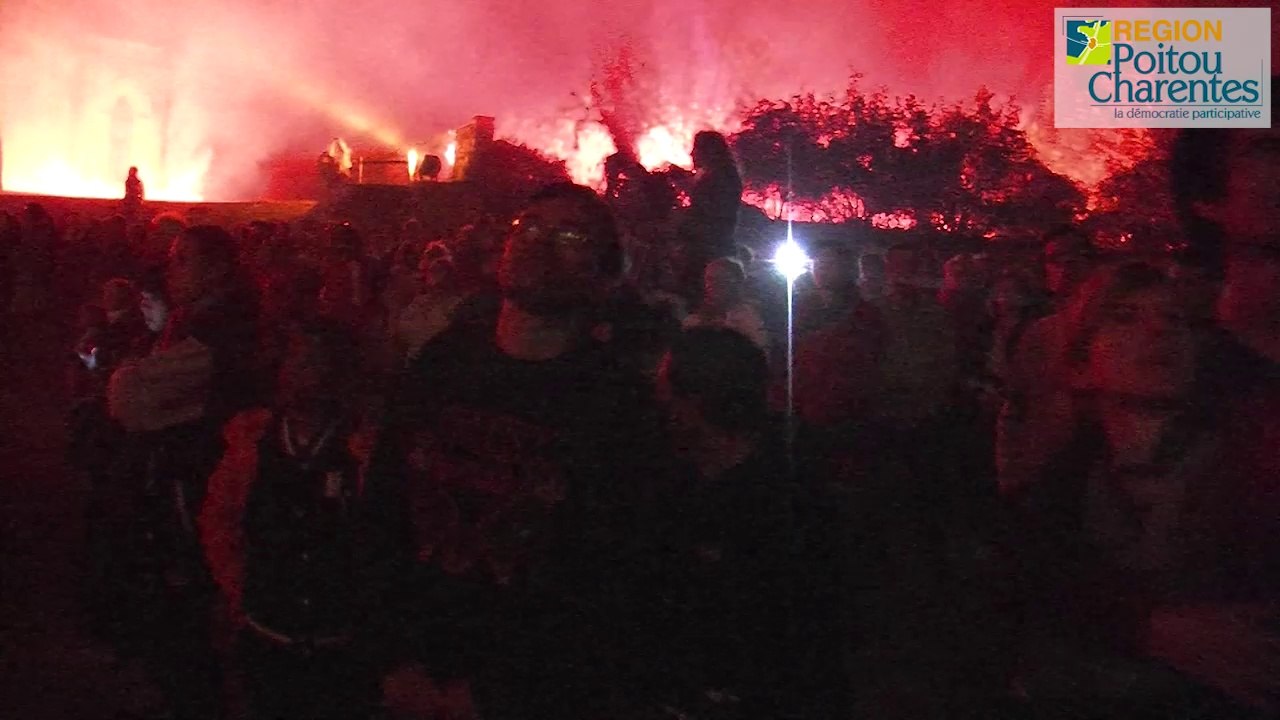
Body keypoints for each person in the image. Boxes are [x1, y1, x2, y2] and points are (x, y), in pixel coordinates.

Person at [365, 183, 665, 720]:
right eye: (527, 227)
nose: (538, 242)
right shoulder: (442, 363)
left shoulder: (618, 404)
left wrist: (498, 694)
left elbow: (616, 575)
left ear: (604, 272)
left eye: (569, 236)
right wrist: (391, 659)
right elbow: (384, 510)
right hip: (412, 673)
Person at [105, 225, 261, 720]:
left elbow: (129, 397)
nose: (171, 271)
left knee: (189, 608)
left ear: (218, 269)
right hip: (191, 479)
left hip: (197, 484)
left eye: (183, 260)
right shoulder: (206, 322)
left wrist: (133, 366)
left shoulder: (217, 332)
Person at [200, 320, 375, 720]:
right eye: (297, 360)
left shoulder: (363, 448)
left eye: (317, 362)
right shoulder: (252, 442)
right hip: (267, 636)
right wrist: (238, 586)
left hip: (341, 644)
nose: (305, 373)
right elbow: (220, 519)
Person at [682, 257, 768, 351]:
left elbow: (758, 350)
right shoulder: (694, 320)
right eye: (710, 279)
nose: (714, 284)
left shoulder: (751, 317)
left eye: (722, 278)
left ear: (737, 282)